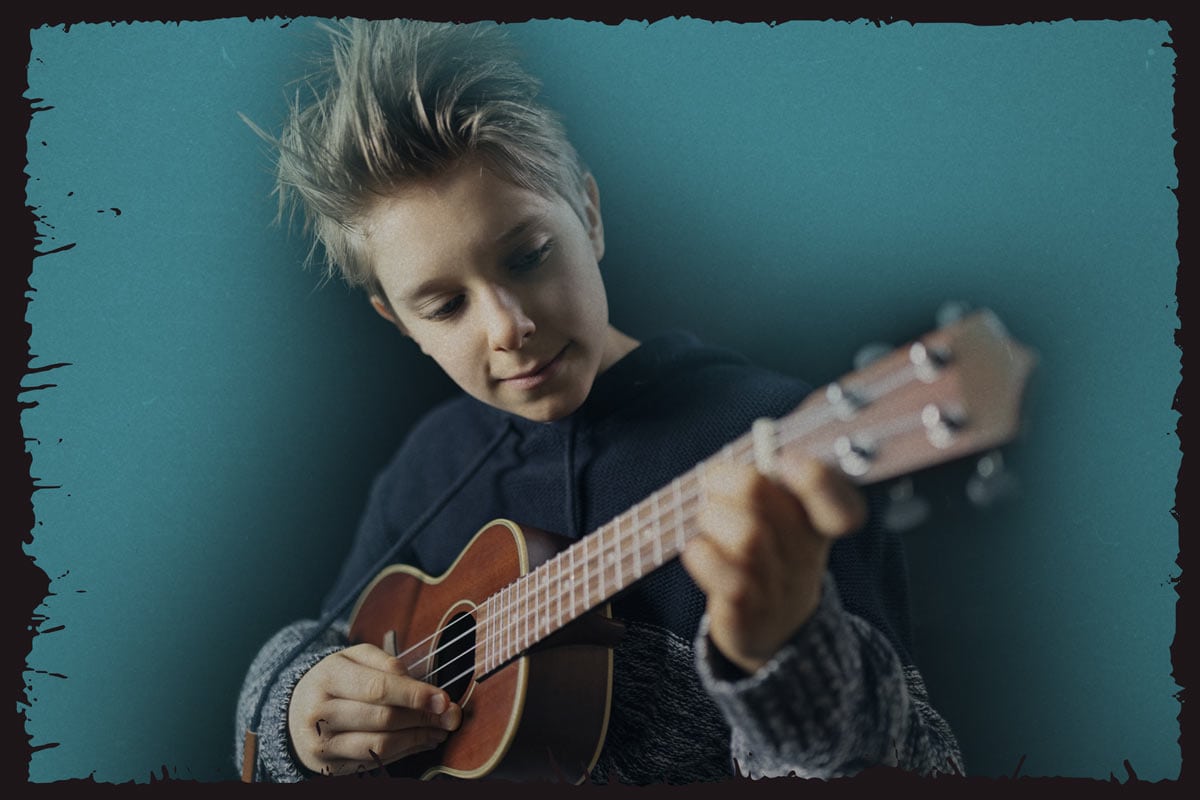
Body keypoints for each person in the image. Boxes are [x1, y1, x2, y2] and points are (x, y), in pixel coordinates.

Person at [234, 18, 964, 784]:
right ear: (399, 323)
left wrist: (788, 665)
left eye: (527, 257)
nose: (509, 328)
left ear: (588, 214)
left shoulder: (773, 441)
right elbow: (317, 650)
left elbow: (916, 764)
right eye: (445, 306)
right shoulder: (429, 463)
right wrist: (293, 707)